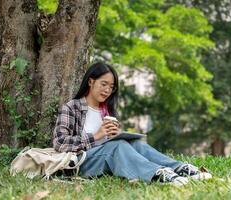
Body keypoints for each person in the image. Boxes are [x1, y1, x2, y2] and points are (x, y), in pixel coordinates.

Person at [53, 62, 212, 186]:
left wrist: (113, 135)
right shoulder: (72, 107)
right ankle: (157, 174)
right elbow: (59, 143)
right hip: (81, 163)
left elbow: (108, 143)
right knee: (117, 146)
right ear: (91, 81)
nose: (108, 90)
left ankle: (179, 168)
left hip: (104, 158)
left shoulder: (106, 111)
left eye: (111, 87)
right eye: (104, 84)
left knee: (134, 143)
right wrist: (97, 136)